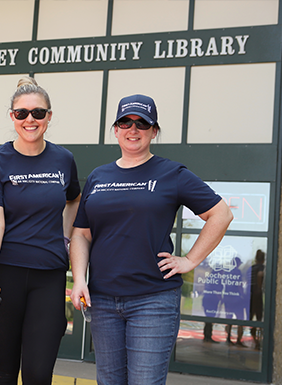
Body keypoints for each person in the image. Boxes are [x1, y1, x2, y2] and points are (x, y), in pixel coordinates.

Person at [69, 94, 233, 385]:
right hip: (103, 300)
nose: (133, 129)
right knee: (109, 381)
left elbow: (220, 214)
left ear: (154, 131)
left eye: (142, 123)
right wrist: (79, 278)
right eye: (125, 122)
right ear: (116, 129)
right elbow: (82, 233)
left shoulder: (172, 173)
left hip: (153, 301)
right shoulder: (98, 176)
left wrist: (190, 259)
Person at [0, 77, 81, 384]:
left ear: (49, 116)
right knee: (3, 373)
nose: (30, 120)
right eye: (21, 113)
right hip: (6, 276)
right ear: (12, 117)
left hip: (48, 276)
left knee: (38, 374)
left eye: (38, 113)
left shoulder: (64, 159)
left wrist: (64, 236)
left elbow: (74, 199)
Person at [249, 249, 265, 350]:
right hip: (257, 295)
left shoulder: (251, 268)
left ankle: (255, 339)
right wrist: (259, 288)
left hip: (250, 295)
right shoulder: (262, 268)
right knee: (259, 319)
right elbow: (260, 275)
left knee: (251, 318)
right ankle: (257, 342)